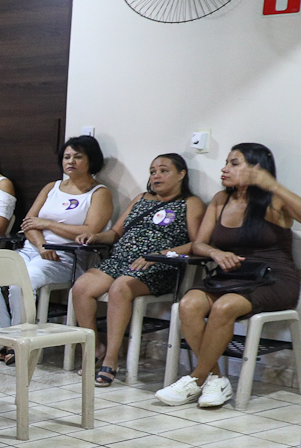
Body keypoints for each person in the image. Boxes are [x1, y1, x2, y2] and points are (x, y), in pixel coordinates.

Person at [157, 143, 301, 409]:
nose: (224, 169)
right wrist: (215, 253)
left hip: (274, 278)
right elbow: (199, 243)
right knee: (189, 305)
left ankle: (196, 378)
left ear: (257, 168)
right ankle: (216, 379)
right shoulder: (221, 200)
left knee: (224, 307)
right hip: (230, 276)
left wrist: (271, 185)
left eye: (235, 163)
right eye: (226, 162)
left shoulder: (275, 199)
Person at [71, 154, 205, 386]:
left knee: (121, 286)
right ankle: (95, 348)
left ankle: (111, 359)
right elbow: (115, 233)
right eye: (153, 171)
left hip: (159, 266)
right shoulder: (141, 198)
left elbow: (196, 243)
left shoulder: (190, 203)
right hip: (121, 260)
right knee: (82, 286)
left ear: (182, 174)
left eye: (164, 171)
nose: (156, 176)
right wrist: (95, 236)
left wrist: (158, 256)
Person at [0, 136, 113, 359]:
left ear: (92, 160)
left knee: (22, 281)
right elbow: (29, 223)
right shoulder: (52, 187)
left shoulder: (99, 193)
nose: (71, 161)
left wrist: (48, 224)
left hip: (66, 257)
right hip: (34, 249)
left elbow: (89, 230)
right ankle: (2, 335)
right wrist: (41, 244)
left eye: (78, 157)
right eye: (67, 157)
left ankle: (20, 343)